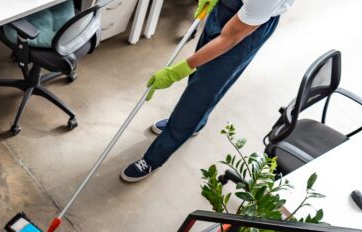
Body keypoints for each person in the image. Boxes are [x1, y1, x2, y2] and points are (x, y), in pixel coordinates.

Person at [120, 0, 292, 182]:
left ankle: (153, 158)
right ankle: (196, 123)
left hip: (247, 29)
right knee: (201, 80)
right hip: (231, 9)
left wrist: (179, 70)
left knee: (199, 96)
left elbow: (229, 38)